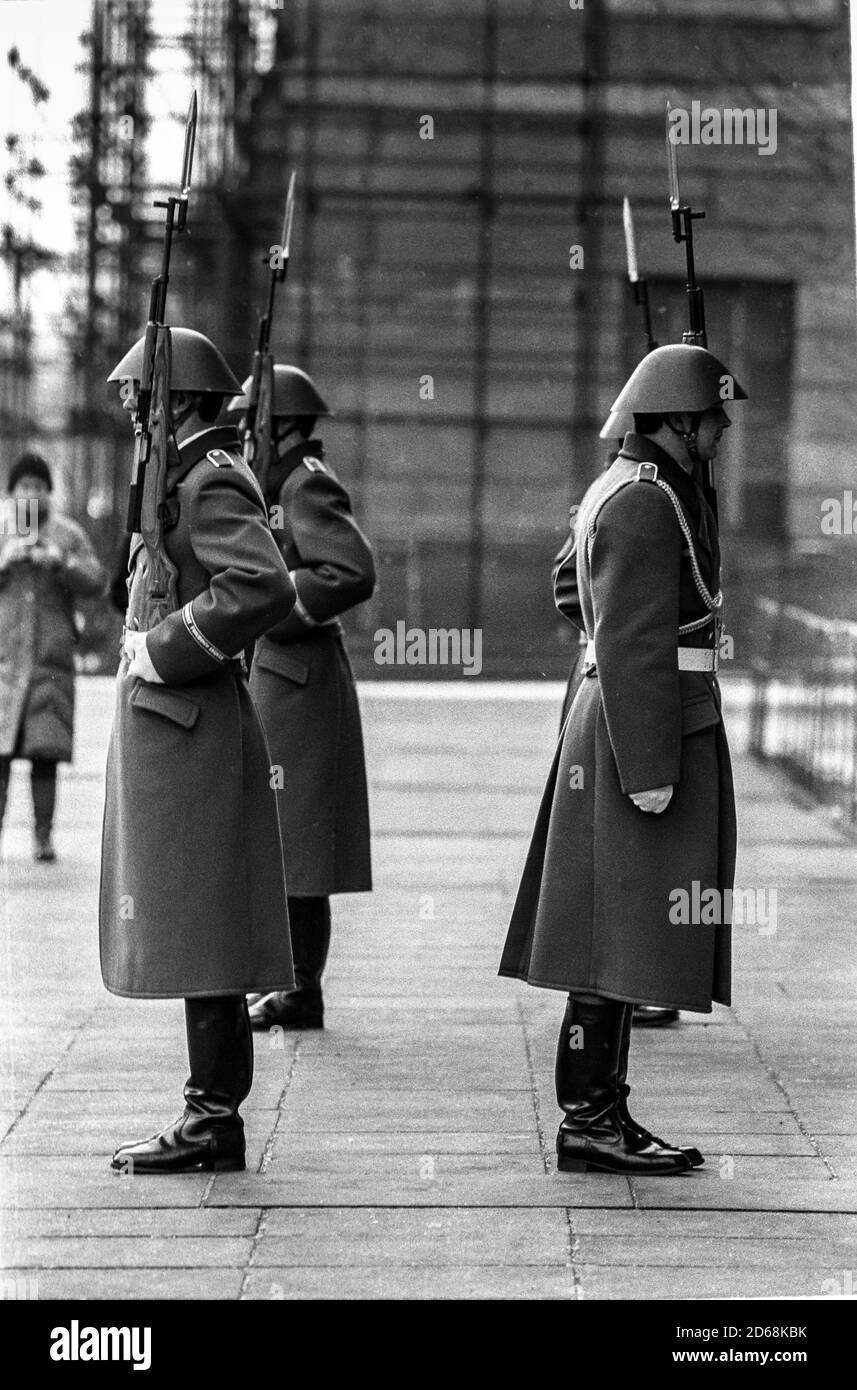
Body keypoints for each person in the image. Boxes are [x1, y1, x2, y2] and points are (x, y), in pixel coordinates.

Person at [499, 344, 746, 1175]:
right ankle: (590, 1121)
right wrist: (648, 766)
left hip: (634, 713)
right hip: (645, 726)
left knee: (615, 930)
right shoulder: (644, 502)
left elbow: (575, 594)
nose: (721, 427)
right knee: (614, 933)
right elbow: (635, 641)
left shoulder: (633, 488)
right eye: (711, 416)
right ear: (676, 421)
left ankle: (598, 1114)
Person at [100, 327, 297, 1174]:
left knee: (206, 920)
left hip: (192, 725)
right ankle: (209, 1112)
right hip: (177, 733)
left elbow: (261, 584)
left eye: (142, 399)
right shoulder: (179, 476)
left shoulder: (212, 479)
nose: (131, 413)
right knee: (194, 918)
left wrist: (168, 645)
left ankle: (213, 1117)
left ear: (176, 402)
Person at [226, 365, 375, 1030]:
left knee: (300, 846)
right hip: (282, 676)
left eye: (252, 421)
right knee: (287, 842)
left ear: (278, 423)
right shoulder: (275, 481)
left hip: (298, 679)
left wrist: (273, 606)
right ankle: (290, 985)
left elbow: (347, 570)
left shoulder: (304, 479)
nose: (242, 433)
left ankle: (300, 989)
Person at [0, 453, 105, 860]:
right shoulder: (3, 530)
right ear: (11, 493)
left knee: (46, 752)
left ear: (49, 492)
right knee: (0, 753)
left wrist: (60, 562)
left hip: (50, 661)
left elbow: (97, 582)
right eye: (23, 487)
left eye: (38, 487)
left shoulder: (66, 533)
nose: (31, 494)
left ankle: (43, 836)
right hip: (5, 662)